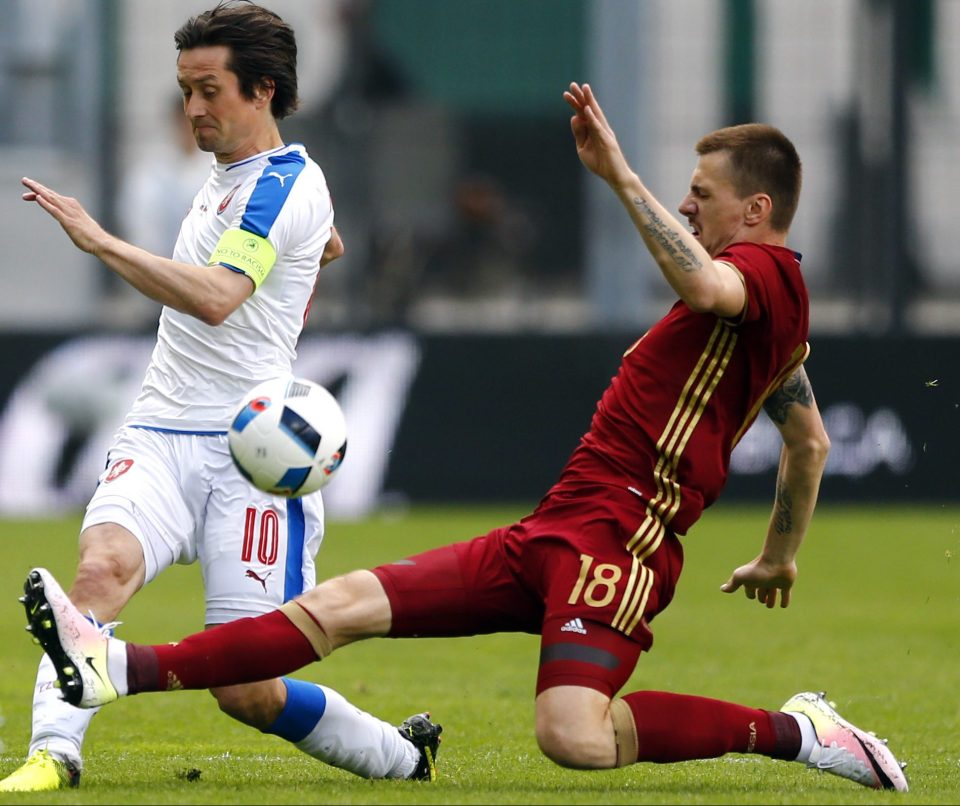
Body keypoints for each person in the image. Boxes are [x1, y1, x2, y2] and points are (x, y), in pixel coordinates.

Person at [22, 82, 908, 792]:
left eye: (703, 195)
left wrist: (619, 177)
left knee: (574, 738)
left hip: (621, 538)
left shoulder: (758, 275)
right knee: (340, 608)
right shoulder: (776, 319)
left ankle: (799, 733)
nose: (688, 202)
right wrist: (780, 556)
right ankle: (112, 666)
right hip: (558, 524)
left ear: (756, 209)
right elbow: (811, 441)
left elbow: (713, 290)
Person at [0, 2, 440, 793]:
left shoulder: (282, 184)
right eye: (184, 91)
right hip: (160, 430)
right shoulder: (239, 183)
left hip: (253, 457)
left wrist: (99, 240)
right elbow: (326, 245)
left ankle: (402, 754)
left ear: (263, 90)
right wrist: (306, 260)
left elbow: (215, 297)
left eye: (209, 90)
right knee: (100, 572)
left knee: (247, 687)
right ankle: (52, 755)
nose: (193, 109)